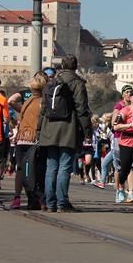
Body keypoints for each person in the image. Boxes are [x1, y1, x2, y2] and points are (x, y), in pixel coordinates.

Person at [37, 55, 93, 213]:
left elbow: (43, 109)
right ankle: (62, 202)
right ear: (76, 66)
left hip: (49, 128)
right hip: (68, 127)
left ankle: (50, 203)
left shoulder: (51, 82)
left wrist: (39, 130)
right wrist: (87, 131)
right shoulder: (77, 83)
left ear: (61, 66)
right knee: (64, 166)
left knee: (51, 167)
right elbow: (82, 109)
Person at [14, 71, 48, 209]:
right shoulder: (43, 102)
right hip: (33, 140)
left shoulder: (27, 102)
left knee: (25, 171)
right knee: (37, 171)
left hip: (22, 139)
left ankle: (31, 200)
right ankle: (40, 199)